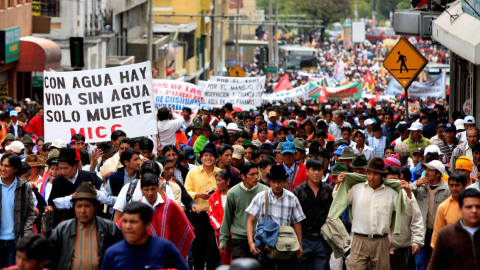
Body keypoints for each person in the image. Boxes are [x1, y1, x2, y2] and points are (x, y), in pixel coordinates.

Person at [334, 157, 414, 270]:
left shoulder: (391, 193)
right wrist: (339, 184)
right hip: (359, 239)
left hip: (381, 241)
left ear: (382, 176)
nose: (371, 177)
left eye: (375, 174)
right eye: (369, 173)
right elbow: (338, 200)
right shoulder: (356, 189)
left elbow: (407, 211)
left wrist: (408, 192)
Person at [46, 182, 123, 270]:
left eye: (87, 206)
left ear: (95, 207)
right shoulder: (62, 229)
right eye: (79, 206)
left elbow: (119, 259)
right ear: (74, 207)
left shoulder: (110, 229)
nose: (82, 211)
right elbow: (51, 260)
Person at [116, 173, 194, 258]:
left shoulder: (169, 204)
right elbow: (119, 229)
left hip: (166, 254)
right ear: (141, 189)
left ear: (158, 187)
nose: (150, 193)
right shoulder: (136, 208)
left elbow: (182, 227)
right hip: (143, 255)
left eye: (153, 189)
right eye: (147, 189)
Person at [246, 164, 305, 270]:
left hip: (286, 244)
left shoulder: (292, 198)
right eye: (273, 182)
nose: (276, 185)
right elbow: (250, 220)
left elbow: (297, 223)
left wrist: (299, 244)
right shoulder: (261, 197)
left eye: (279, 182)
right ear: (269, 182)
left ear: (284, 182)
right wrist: (251, 243)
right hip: (266, 244)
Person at [102, 202, 189, 270]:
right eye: (125, 221)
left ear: (147, 224)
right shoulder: (112, 253)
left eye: (133, 222)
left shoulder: (164, 248)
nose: (128, 227)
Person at [219, 162, 269, 259]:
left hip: (260, 238)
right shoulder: (233, 193)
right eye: (252, 174)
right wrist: (223, 240)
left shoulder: (265, 191)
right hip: (239, 238)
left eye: (257, 173)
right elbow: (227, 217)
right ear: (242, 176)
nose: (256, 177)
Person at [184, 142, 221, 270]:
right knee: (198, 248)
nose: (208, 158)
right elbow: (186, 192)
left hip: (215, 216)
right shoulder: (192, 173)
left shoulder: (221, 173)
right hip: (197, 214)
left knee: (213, 248)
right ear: (201, 157)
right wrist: (199, 195)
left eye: (211, 155)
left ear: (216, 159)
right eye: (205, 155)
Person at [48, 148, 107, 227]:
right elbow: (56, 202)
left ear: (74, 165)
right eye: (60, 168)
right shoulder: (58, 181)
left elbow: (105, 197)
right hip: (68, 225)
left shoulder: (90, 176)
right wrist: (73, 197)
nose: (63, 172)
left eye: (66, 168)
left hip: (93, 223)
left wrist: (94, 192)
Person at [409, 160, 450, 270]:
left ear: (438, 174)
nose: (427, 172)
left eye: (430, 170)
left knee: (438, 263)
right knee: (420, 263)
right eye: (426, 169)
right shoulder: (420, 186)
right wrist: (415, 184)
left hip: (438, 233)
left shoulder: (447, 189)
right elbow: (406, 195)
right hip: (422, 232)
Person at [293, 158, 333, 270]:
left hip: (322, 237)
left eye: (319, 170)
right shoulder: (298, 191)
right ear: (307, 171)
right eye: (313, 169)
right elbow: (295, 219)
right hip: (304, 237)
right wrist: (298, 242)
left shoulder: (328, 191)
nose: (316, 173)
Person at [428, 189, 480, 270]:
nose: (474, 211)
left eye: (478, 207)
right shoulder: (446, 235)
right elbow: (435, 266)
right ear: (460, 210)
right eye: (469, 207)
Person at [0, 153, 35, 268]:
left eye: (7, 166)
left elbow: (30, 212)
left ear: (15, 169)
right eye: (1, 165)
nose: (3, 169)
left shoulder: (25, 187)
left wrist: (25, 235)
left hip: (16, 242)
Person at [386, 166, 424, 270]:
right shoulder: (380, 195)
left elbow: (416, 219)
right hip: (382, 247)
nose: (392, 183)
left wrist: (416, 241)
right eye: (389, 180)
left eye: (395, 180)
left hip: (402, 247)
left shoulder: (407, 195)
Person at [431, 171, 466, 248]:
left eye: (457, 185)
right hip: (450, 250)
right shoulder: (443, 207)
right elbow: (437, 231)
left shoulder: (472, 205)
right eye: (451, 185)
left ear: (464, 186)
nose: (454, 188)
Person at [208, 169, 234, 265]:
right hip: (220, 233)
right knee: (225, 260)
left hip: (235, 231)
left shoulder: (234, 193)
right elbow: (212, 215)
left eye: (220, 180)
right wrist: (219, 229)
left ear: (228, 181)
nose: (217, 183)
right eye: (216, 180)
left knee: (235, 258)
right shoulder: (213, 197)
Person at [104, 149, 141, 215]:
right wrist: (124, 200)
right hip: (118, 214)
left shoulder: (142, 176)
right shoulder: (113, 178)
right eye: (135, 159)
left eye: (139, 159)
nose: (139, 162)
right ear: (126, 162)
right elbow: (107, 198)